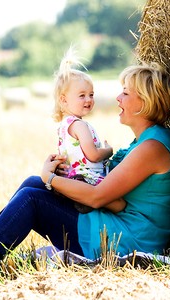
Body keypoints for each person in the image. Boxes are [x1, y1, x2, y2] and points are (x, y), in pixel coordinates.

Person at [0, 61, 170, 274]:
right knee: (32, 183)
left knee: (32, 199)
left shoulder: (152, 147)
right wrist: (63, 175)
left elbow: (97, 196)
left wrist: (50, 178)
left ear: (145, 102)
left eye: (125, 93)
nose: (117, 98)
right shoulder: (144, 141)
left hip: (128, 238)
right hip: (117, 223)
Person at [52, 48, 123, 213]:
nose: (89, 100)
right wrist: (108, 150)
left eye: (91, 94)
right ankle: (88, 203)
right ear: (64, 100)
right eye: (82, 95)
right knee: (121, 205)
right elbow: (93, 155)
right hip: (86, 180)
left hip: (72, 178)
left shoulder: (64, 125)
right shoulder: (79, 125)